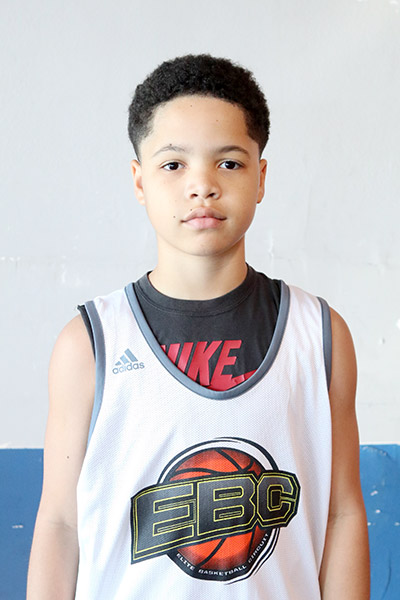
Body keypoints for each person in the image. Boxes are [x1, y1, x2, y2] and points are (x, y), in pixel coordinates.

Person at [27, 54, 370, 599]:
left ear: (261, 178)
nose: (202, 186)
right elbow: (61, 525)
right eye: (173, 165)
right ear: (139, 181)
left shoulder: (320, 334)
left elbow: (341, 513)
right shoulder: (90, 343)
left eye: (229, 163)